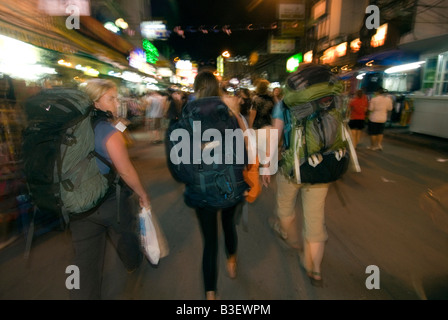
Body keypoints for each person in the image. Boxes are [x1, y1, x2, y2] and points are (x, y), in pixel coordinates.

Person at [262, 64, 347, 288]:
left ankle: (291, 238)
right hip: (322, 167)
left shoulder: (285, 104)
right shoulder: (332, 100)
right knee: (315, 219)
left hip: (292, 168)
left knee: (284, 208)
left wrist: (267, 166)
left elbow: (275, 138)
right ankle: (314, 268)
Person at [71, 79, 151, 299]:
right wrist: (142, 194)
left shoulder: (73, 125)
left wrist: (118, 124)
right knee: (125, 232)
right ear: (95, 102)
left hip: (76, 201)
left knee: (83, 262)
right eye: (111, 98)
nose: (117, 102)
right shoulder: (107, 130)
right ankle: (133, 262)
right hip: (107, 201)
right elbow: (125, 169)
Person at [175, 71, 247, 300]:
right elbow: (242, 155)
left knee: (209, 241)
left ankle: (210, 293)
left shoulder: (186, 114)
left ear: (196, 89)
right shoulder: (228, 114)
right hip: (228, 184)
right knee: (228, 225)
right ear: (216, 89)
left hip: (200, 187)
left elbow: (180, 158)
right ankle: (232, 261)